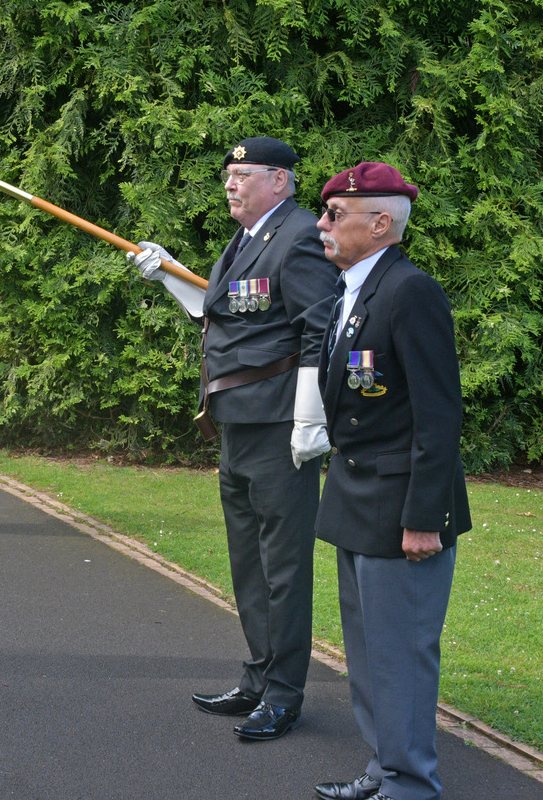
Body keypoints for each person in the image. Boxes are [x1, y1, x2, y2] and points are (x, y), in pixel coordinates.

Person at [128, 137, 338, 741]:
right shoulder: (244, 242)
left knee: (284, 567)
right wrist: (168, 272)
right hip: (238, 424)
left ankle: (285, 694)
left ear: (281, 180)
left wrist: (308, 420)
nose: (231, 183)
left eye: (243, 174)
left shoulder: (298, 235)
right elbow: (217, 312)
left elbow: (316, 331)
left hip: (278, 427)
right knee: (249, 563)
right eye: (228, 174)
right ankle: (257, 677)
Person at [309, 162, 471, 800]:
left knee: (400, 656)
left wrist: (424, 516)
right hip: (357, 497)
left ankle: (409, 785)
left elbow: (439, 413)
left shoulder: (410, 292)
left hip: (403, 507)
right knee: (371, 656)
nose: (321, 224)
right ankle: (385, 771)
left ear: (380, 224)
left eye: (333, 215)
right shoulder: (351, 291)